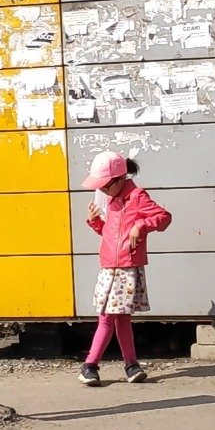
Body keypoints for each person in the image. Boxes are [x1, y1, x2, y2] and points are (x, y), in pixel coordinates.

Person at [79, 151, 172, 386]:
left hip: (125, 268)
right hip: (110, 267)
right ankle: (130, 366)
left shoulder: (137, 196)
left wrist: (141, 225)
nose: (101, 190)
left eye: (104, 185)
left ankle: (91, 366)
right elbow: (109, 233)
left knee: (111, 318)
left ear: (120, 179)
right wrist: (94, 221)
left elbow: (164, 217)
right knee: (117, 318)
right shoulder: (112, 198)